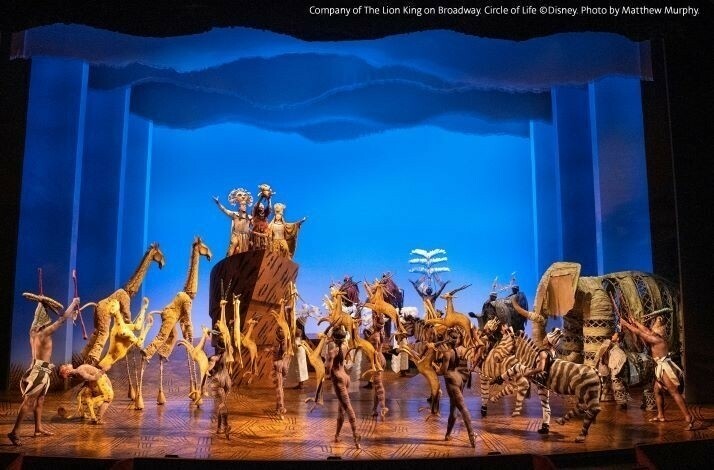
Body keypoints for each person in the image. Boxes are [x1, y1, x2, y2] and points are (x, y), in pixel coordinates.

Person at [8, 295, 80, 445]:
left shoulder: (32, 332)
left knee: (40, 400)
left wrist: (44, 305)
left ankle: (38, 428)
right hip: (39, 372)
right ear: (43, 322)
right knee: (29, 401)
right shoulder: (44, 333)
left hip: (40, 369)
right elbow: (61, 320)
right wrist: (73, 303)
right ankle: (15, 432)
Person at [620, 315, 694, 429]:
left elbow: (640, 333)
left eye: (653, 330)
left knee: (674, 393)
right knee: (657, 390)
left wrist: (626, 324)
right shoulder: (655, 336)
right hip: (660, 367)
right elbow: (645, 330)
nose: (651, 331)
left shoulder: (657, 340)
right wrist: (635, 322)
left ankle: (689, 418)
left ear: (658, 333)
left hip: (665, 368)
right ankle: (660, 415)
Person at [494, 327, 562, 435]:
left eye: (545, 338)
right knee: (545, 402)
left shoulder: (543, 353)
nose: (544, 339)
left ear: (548, 341)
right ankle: (546, 425)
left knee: (518, 367)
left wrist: (529, 373)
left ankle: (501, 378)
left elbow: (540, 368)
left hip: (540, 378)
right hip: (546, 381)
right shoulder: (553, 352)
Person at [437, 328, 476, 447]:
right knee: (453, 409)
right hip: (458, 379)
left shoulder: (447, 353)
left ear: (448, 338)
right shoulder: (456, 351)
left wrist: (433, 368)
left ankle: (472, 435)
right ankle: (448, 434)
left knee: (462, 407)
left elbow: (443, 371)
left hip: (452, 381)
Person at [326, 326, 361, 449]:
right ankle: (337, 435)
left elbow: (328, 369)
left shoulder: (333, 352)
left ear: (333, 338)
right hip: (345, 377)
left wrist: (326, 374)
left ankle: (356, 437)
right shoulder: (345, 347)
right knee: (341, 409)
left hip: (339, 379)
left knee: (348, 408)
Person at [213, 188, 253, 257]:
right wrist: (218, 203)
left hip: (245, 236)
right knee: (234, 244)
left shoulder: (249, 217)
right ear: (239, 207)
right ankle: (229, 258)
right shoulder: (235, 214)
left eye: (245, 206)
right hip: (236, 235)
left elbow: (254, 224)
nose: (244, 207)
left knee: (247, 250)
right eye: (242, 205)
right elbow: (224, 210)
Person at [271, 327, 289, 416]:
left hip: (278, 365)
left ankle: (281, 406)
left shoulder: (277, 343)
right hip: (284, 365)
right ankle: (278, 408)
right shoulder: (285, 342)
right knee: (281, 387)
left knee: (279, 388)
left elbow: (277, 352)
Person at [251, 184, 273, 250]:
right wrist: (261, 198)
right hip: (256, 233)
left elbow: (269, 208)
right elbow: (256, 206)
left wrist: (269, 200)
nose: (261, 207)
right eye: (260, 206)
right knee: (257, 247)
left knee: (265, 247)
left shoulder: (265, 214)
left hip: (264, 233)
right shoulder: (255, 214)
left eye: (262, 206)